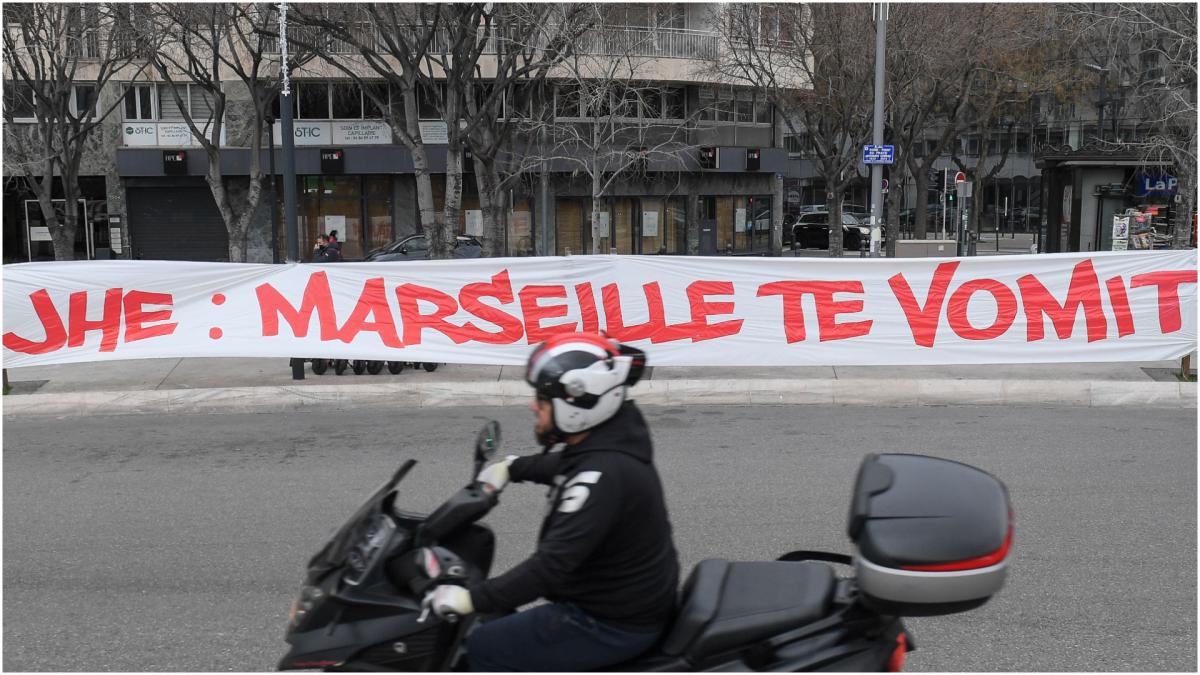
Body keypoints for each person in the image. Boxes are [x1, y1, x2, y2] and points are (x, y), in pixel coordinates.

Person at [422, 333, 680, 672]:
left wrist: (469, 599)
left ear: (577, 404)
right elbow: (567, 465)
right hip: (626, 602)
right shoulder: (608, 443)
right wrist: (510, 468)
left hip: (610, 622)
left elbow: (548, 569)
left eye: (542, 400)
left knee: (483, 645)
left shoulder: (602, 476)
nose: (534, 406)